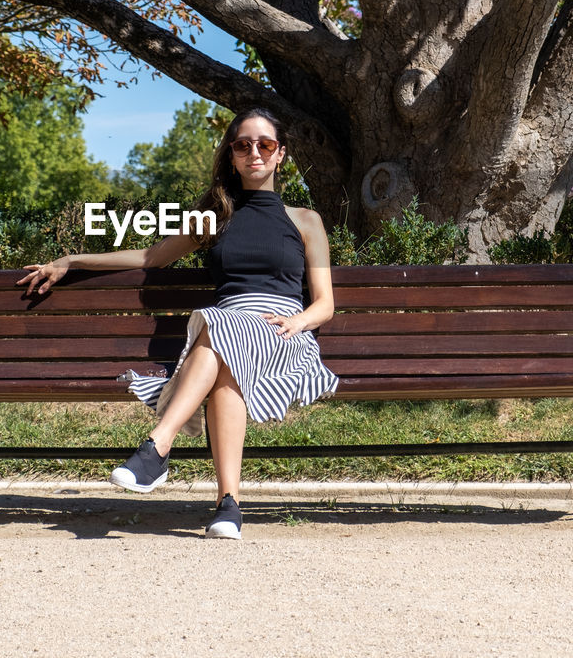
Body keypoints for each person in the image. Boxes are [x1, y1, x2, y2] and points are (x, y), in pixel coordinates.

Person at [17, 107, 338, 539]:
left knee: (217, 331)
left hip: (282, 334)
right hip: (228, 329)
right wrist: (72, 260)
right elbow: (151, 257)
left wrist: (297, 321)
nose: (254, 153)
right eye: (243, 145)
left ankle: (158, 448)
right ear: (231, 155)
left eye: (265, 145)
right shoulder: (214, 216)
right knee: (225, 360)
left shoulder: (305, 221)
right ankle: (229, 507)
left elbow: (325, 304)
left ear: (281, 154)